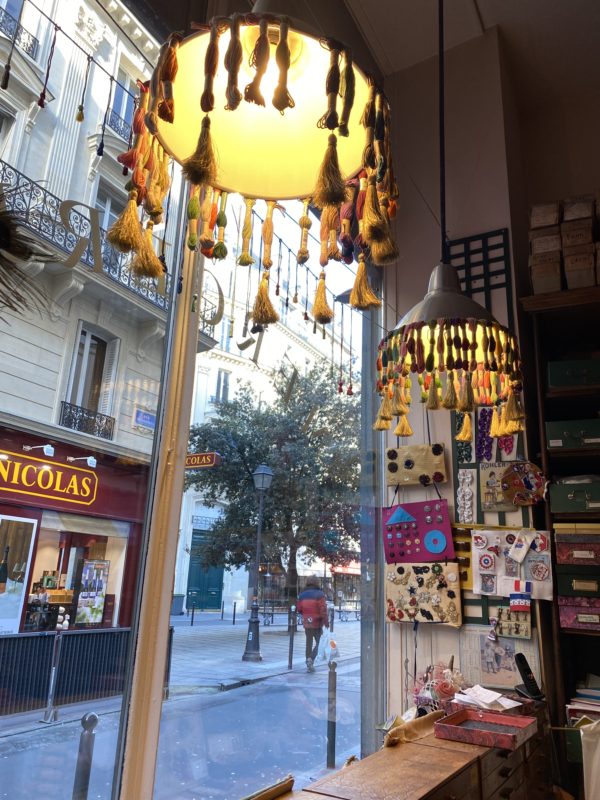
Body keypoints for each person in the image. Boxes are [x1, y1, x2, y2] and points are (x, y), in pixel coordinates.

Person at [297, 580, 329, 673]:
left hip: (307, 622)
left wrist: (305, 614)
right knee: (320, 643)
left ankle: (308, 661)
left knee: (308, 642)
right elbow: (323, 610)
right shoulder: (320, 594)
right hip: (317, 622)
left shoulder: (302, 595)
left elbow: (299, 609)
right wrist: (326, 622)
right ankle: (311, 659)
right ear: (316, 583)